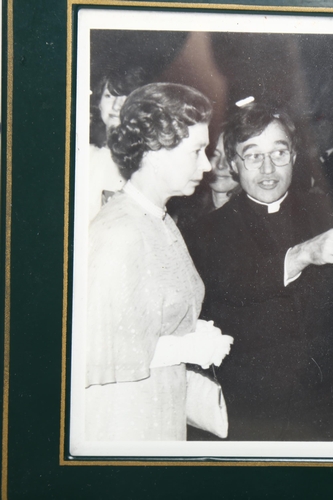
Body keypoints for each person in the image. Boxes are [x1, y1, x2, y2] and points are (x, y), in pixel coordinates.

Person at [187, 102, 333, 441]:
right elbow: (235, 285)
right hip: (253, 415)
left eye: (279, 153)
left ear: (295, 157)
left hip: (330, 414)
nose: (268, 168)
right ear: (234, 164)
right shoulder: (207, 231)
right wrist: (302, 255)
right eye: (252, 155)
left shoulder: (331, 213)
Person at [85, 83, 233, 441]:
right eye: (196, 150)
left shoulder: (160, 220)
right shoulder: (118, 231)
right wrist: (185, 346)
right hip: (123, 420)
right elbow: (92, 349)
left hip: (160, 407)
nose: (206, 164)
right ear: (155, 148)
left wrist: (193, 332)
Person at [88, 66, 147, 221]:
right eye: (108, 96)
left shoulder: (143, 161)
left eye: (125, 97)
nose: (115, 106)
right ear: (98, 102)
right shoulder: (85, 154)